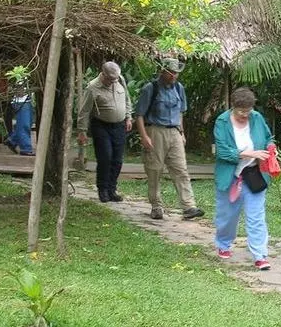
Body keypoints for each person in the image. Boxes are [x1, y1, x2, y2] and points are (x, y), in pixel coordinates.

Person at [213, 87, 273, 270]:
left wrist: (271, 147)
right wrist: (246, 153)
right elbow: (222, 151)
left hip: (254, 175)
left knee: (256, 216)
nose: (245, 115)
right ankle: (223, 243)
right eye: (241, 112)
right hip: (230, 177)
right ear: (233, 107)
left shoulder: (257, 118)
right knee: (227, 216)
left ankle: (260, 255)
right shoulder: (222, 121)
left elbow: (268, 137)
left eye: (248, 111)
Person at [135, 58, 204, 220]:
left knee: (180, 169)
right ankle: (156, 205)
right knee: (154, 169)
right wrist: (144, 135)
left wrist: (182, 132)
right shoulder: (150, 88)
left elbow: (180, 112)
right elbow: (139, 115)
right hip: (155, 131)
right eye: (171, 72)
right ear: (162, 71)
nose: (174, 75)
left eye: (176, 73)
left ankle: (189, 206)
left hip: (174, 132)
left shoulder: (179, 89)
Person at [77, 61, 132, 203]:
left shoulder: (120, 80)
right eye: (110, 79)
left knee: (117, 160)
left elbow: (127, 99)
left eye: (115, 79)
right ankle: (103, 189)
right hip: (101, 126)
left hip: (119, 125)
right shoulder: (92, 87)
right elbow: (84, 111)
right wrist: (82, 131)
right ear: (103, 74)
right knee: (105, 158)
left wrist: (128, 117)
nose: (113, 82)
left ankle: (112, 189)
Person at [4, 81, 34, 156]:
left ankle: (12, 140)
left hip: (26, 100)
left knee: (26, 123)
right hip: (21, 100)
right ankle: (25, 148)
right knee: (24, 125)